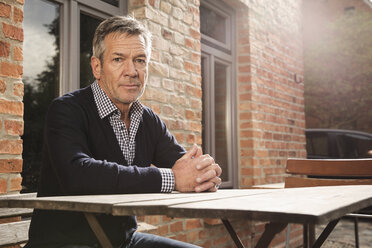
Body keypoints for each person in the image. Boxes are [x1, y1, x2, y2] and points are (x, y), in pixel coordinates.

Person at [24, 15, 222, 248]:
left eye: (140, 60)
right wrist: (172, 178)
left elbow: (183, 166)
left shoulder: (148, 119)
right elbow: (78, 174)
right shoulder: (66, 109)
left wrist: (203, 174)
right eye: (118, 59)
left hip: (123, 242)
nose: (132, 71)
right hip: (64, 243)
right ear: (97, 67)